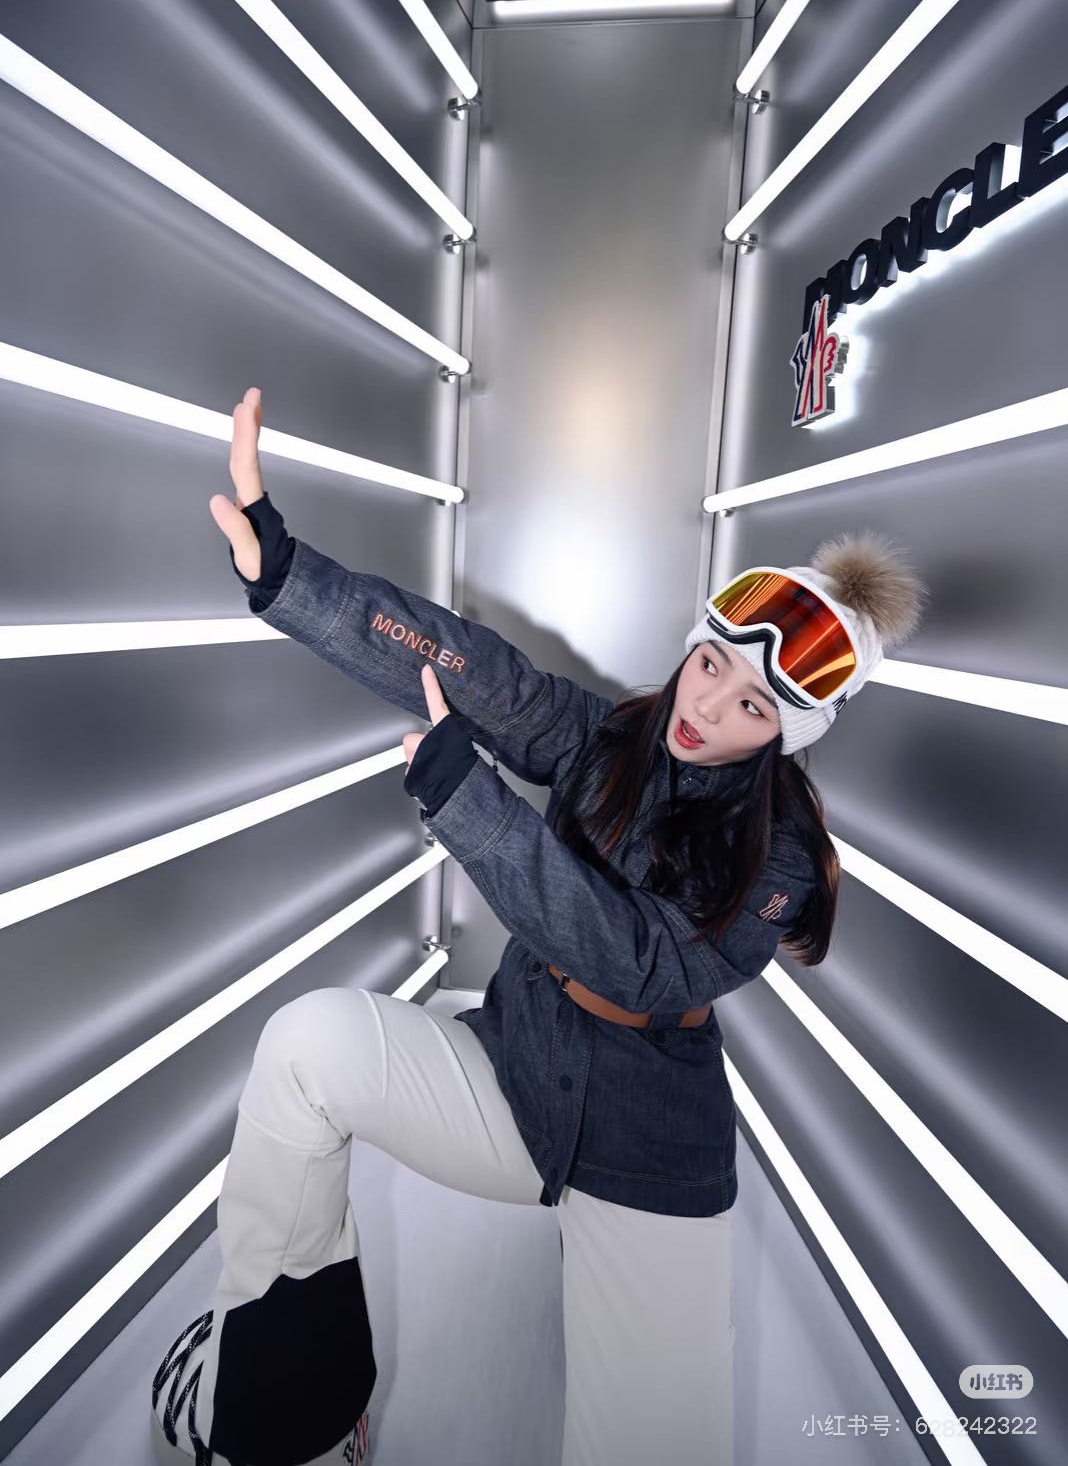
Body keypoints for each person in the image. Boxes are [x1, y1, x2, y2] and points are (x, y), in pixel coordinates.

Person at [151, 388, 928, 1466]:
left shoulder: (785, 859)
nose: (708, 707)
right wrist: (286, 573)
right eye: (712, 663)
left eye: (755, 704)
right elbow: (474, 670)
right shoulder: (609, 737)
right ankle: (294, 1410)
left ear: (788, 733)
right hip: (517, 1062)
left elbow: (643, 963)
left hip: (646, 1140)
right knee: (306, 1046)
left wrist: (463, 798)